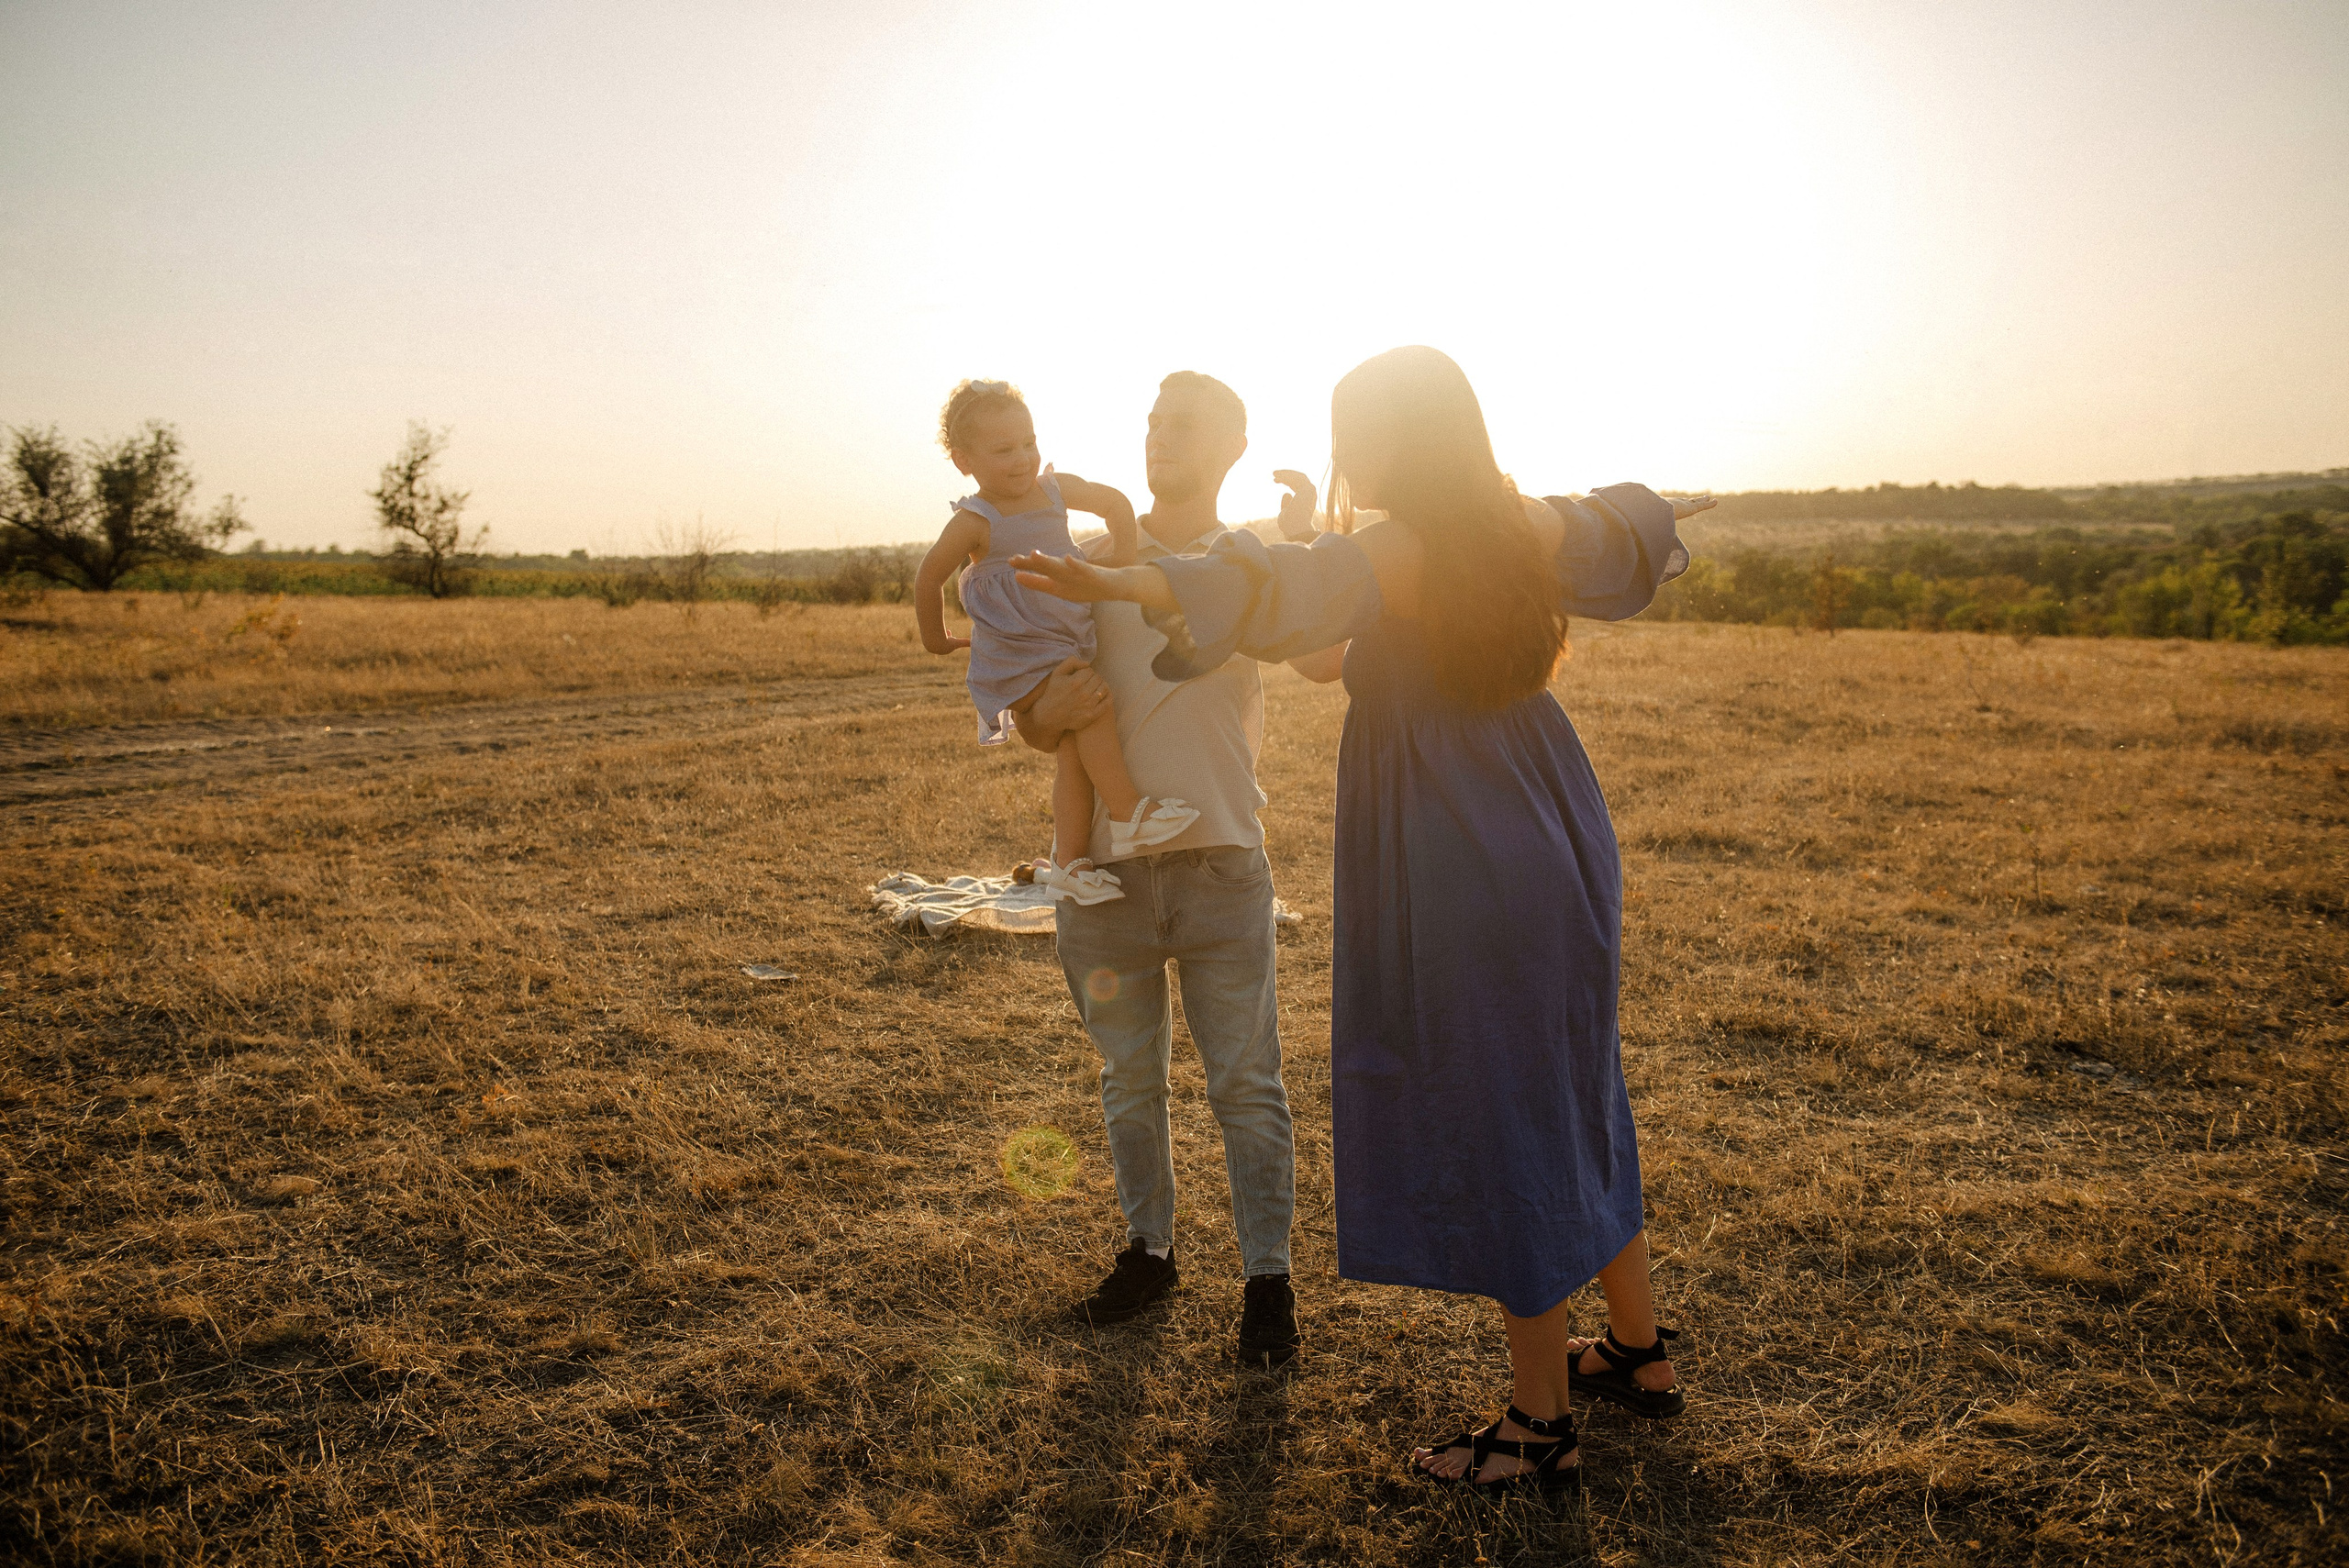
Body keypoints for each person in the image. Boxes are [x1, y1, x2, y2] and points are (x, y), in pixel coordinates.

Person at [1015, 346, 1709, 1492]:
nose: (1341, 449)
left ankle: (1540, 1419)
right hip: (1551, 813)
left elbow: (1269, 593)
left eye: (1351, 430)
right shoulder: (1512, 520)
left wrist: (1125, 582)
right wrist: (1663, 508)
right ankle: (1638, 1351)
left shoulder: (1400, 545)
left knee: (1507, 1109)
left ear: (1396, 437)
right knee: (1570, 1083)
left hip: (1463, 835)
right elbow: (1608, 525)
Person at [1011, 371, 1325, 1368]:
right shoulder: (1089, 561)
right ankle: (1149, 1253)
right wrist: (1043, 712)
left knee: (1247, 1085)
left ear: (1234, 446)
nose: (1160, 438)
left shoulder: (1249, 566)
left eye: (1182, 426)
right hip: (1106, 882)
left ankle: (1267, 1281)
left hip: (1222, 868)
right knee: (1128, 1080)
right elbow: (1032, 717)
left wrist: (1311, 538)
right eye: (1152, 423)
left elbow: (1325, 657)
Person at [913, 378, 1200, 905]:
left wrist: (1123, 558)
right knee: (1091, 701)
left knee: (1074, 751)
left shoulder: (1054, 490)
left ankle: (1069, 862)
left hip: (1059, 642)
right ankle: (1127, 812)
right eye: (1004, 450)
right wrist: (936, 639)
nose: (1023, 458)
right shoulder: (976, 521)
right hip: (1020, 654)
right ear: (963, 461)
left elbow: (1114, 502)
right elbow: (929, 575)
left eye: (1029, 442)